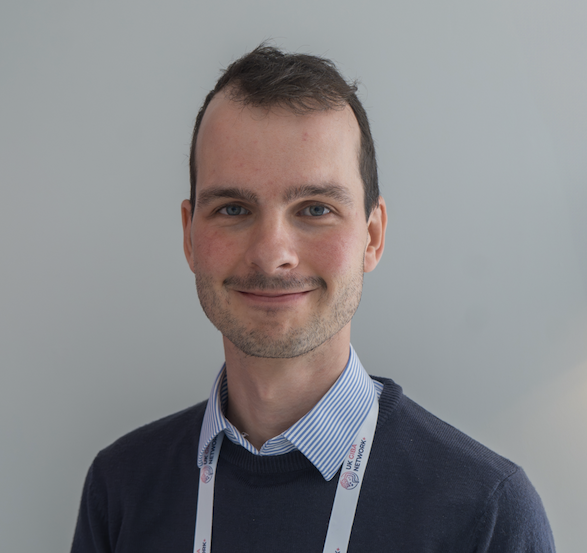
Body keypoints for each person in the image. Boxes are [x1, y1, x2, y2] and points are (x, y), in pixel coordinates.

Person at [71, 45, 555, 552]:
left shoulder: (486, 514)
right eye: (233, 209)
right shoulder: (120, 487)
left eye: (315, 209)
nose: (271, 254)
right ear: (190, 235)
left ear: (372, 236)